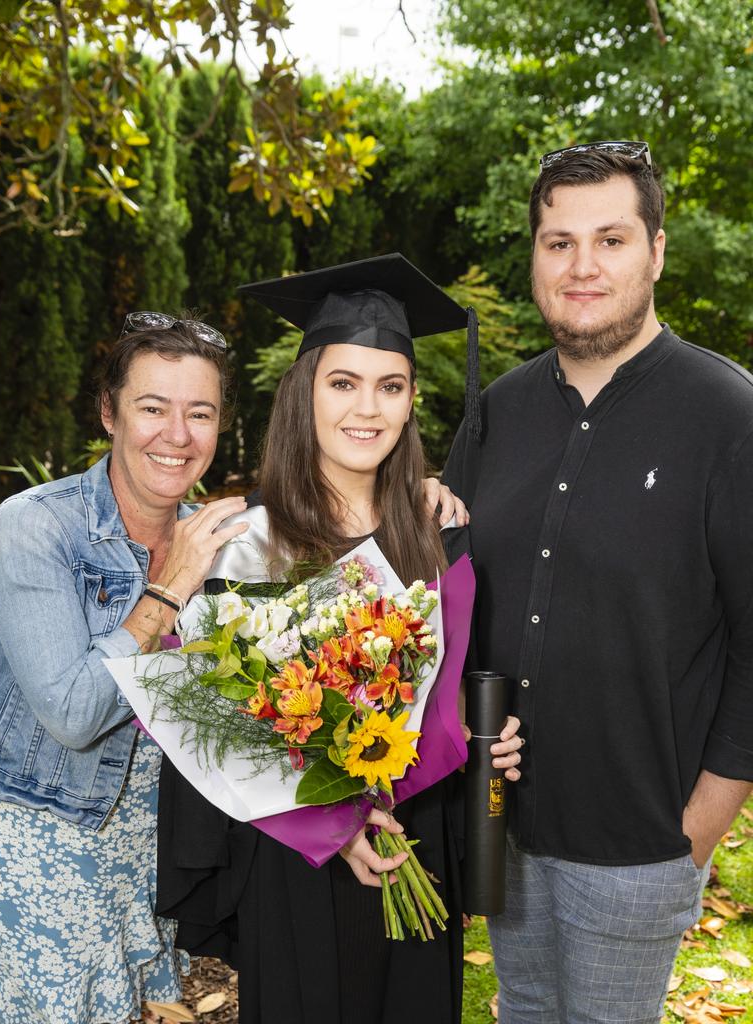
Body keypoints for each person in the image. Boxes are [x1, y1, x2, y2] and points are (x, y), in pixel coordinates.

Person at [155, 254, 524, 1024]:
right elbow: (212, 726)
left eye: (390, 387)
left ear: (412, 400)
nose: (368, 409)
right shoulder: (242, 541)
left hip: (411, 844)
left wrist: (482, 735)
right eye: (343, 383)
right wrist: (334, 823)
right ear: (304, 393)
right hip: (295, 866)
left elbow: (452, 692)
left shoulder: (438, 537)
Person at [442, 141, 753, 1023]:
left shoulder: (729, 418)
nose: (582, 267)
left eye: (611, 240)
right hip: (503, 819)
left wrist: (694, 831)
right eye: (559, 243)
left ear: (656, 251)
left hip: (640, 841)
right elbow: (451, 603)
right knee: (524, 1011)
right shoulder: (494, 414)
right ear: (534, 257)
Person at [0, 313, 251, 1024]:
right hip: (42, 842)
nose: (177, 435)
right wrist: (167, 592)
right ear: (109, 412)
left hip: (152, 850)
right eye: (152, 408)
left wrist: (423, 497)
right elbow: (71, 715)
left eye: (200, 413)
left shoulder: (214, 542)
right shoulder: (35, 526)